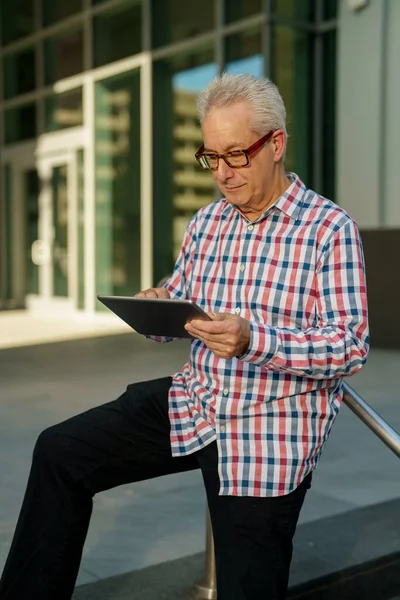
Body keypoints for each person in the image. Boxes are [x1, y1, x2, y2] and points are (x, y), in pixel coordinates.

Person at [0, 73, 369, 600]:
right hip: (194, 401)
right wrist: (156, 306)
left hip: (269, 429)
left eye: (235, 155)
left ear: (277, 144)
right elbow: (181, 296)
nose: (221, 173)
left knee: (248, 587)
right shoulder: (206, 224)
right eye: (211, 157)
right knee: (60, 452)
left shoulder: (329, 230)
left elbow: (349, 345)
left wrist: (251, 340)